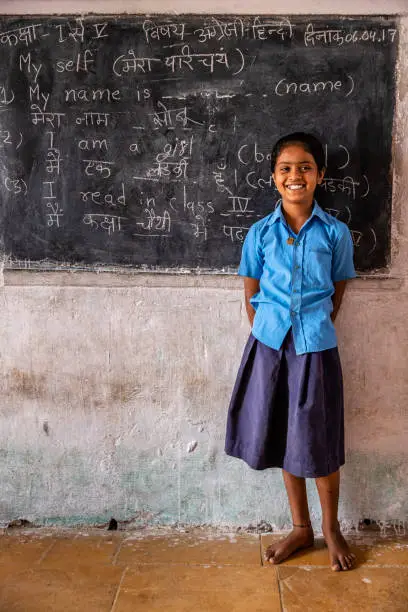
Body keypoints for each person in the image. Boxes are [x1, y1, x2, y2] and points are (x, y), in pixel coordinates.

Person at [225, 132, 357, 571]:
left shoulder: (335, 233)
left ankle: (331, 528)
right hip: (269, 348)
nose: (295, 175)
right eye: (285, 168)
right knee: (286, 435)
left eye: (304, 167)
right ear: (273, 178)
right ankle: (301, 528)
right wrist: (271, 334)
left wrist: (311, 331)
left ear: (319, 175)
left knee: (317, 438)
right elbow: (251, 290)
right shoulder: (260, 234)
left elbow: (336, 293)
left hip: (315, 348)